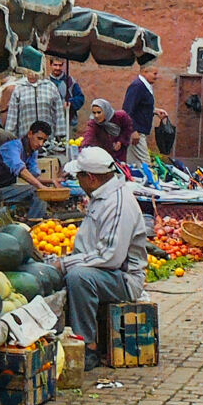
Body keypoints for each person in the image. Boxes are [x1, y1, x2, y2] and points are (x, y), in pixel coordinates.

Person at [50, 147, 148, 370]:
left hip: (122, 279)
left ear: (91, 178)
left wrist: (64, 264)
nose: (78, 181)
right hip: (105, 272)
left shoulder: (118, 203)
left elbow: (110, 257)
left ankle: (88, 348)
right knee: (69, 274)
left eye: (79, 176)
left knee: (78, 277)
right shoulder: (102, 195)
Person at [0, 120, 53, 220]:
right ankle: (33, 224)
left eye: (44, 141)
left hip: (4, 189)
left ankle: (34, 223)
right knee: (38, 191)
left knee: (40, 192)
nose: (40, 144)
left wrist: (52, 181)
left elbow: (34, 175)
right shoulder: (11, 147)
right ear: (30, 134)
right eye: (39, 138)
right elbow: (20, 169)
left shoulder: (32, 151)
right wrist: (41, 186)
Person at [6, 60, 67, 147]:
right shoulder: (19, 89)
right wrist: (10, 139)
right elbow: (12, 117)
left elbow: (59, 113)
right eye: (29, 70)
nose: (32, 73)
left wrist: (61, 136)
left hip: (48, 141)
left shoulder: (50, 87)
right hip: (25, 140)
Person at [123, 60, 168, 169]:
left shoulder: (144, 86)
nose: (156, 77)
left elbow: (141, 107)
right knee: (146, 164)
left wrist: (155, 111)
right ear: (144, 72)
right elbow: (127, 109)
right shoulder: (138, 86)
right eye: (154, 74)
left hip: (139, 132)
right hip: (137, 132)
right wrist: (132, 130)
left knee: (133, 166)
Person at [81, 99, 135, 164]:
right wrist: (84, 149)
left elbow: (128, 128)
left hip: (120, 153)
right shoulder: (93, 124)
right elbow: (88, 136)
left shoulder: (120, 117)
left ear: (106, 111)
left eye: (99, 112)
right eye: (94, 113)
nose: (96, 116)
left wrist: (120, 141)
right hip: (104, 155)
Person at [48, 57, 85, 133]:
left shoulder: (70, 81)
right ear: (51, 65)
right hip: (50, 122)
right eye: (55, 65)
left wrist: (70, 102)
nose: (58, 68)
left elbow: (80, 98)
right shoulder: (46, 82)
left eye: (60, 65)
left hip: (67, 121)